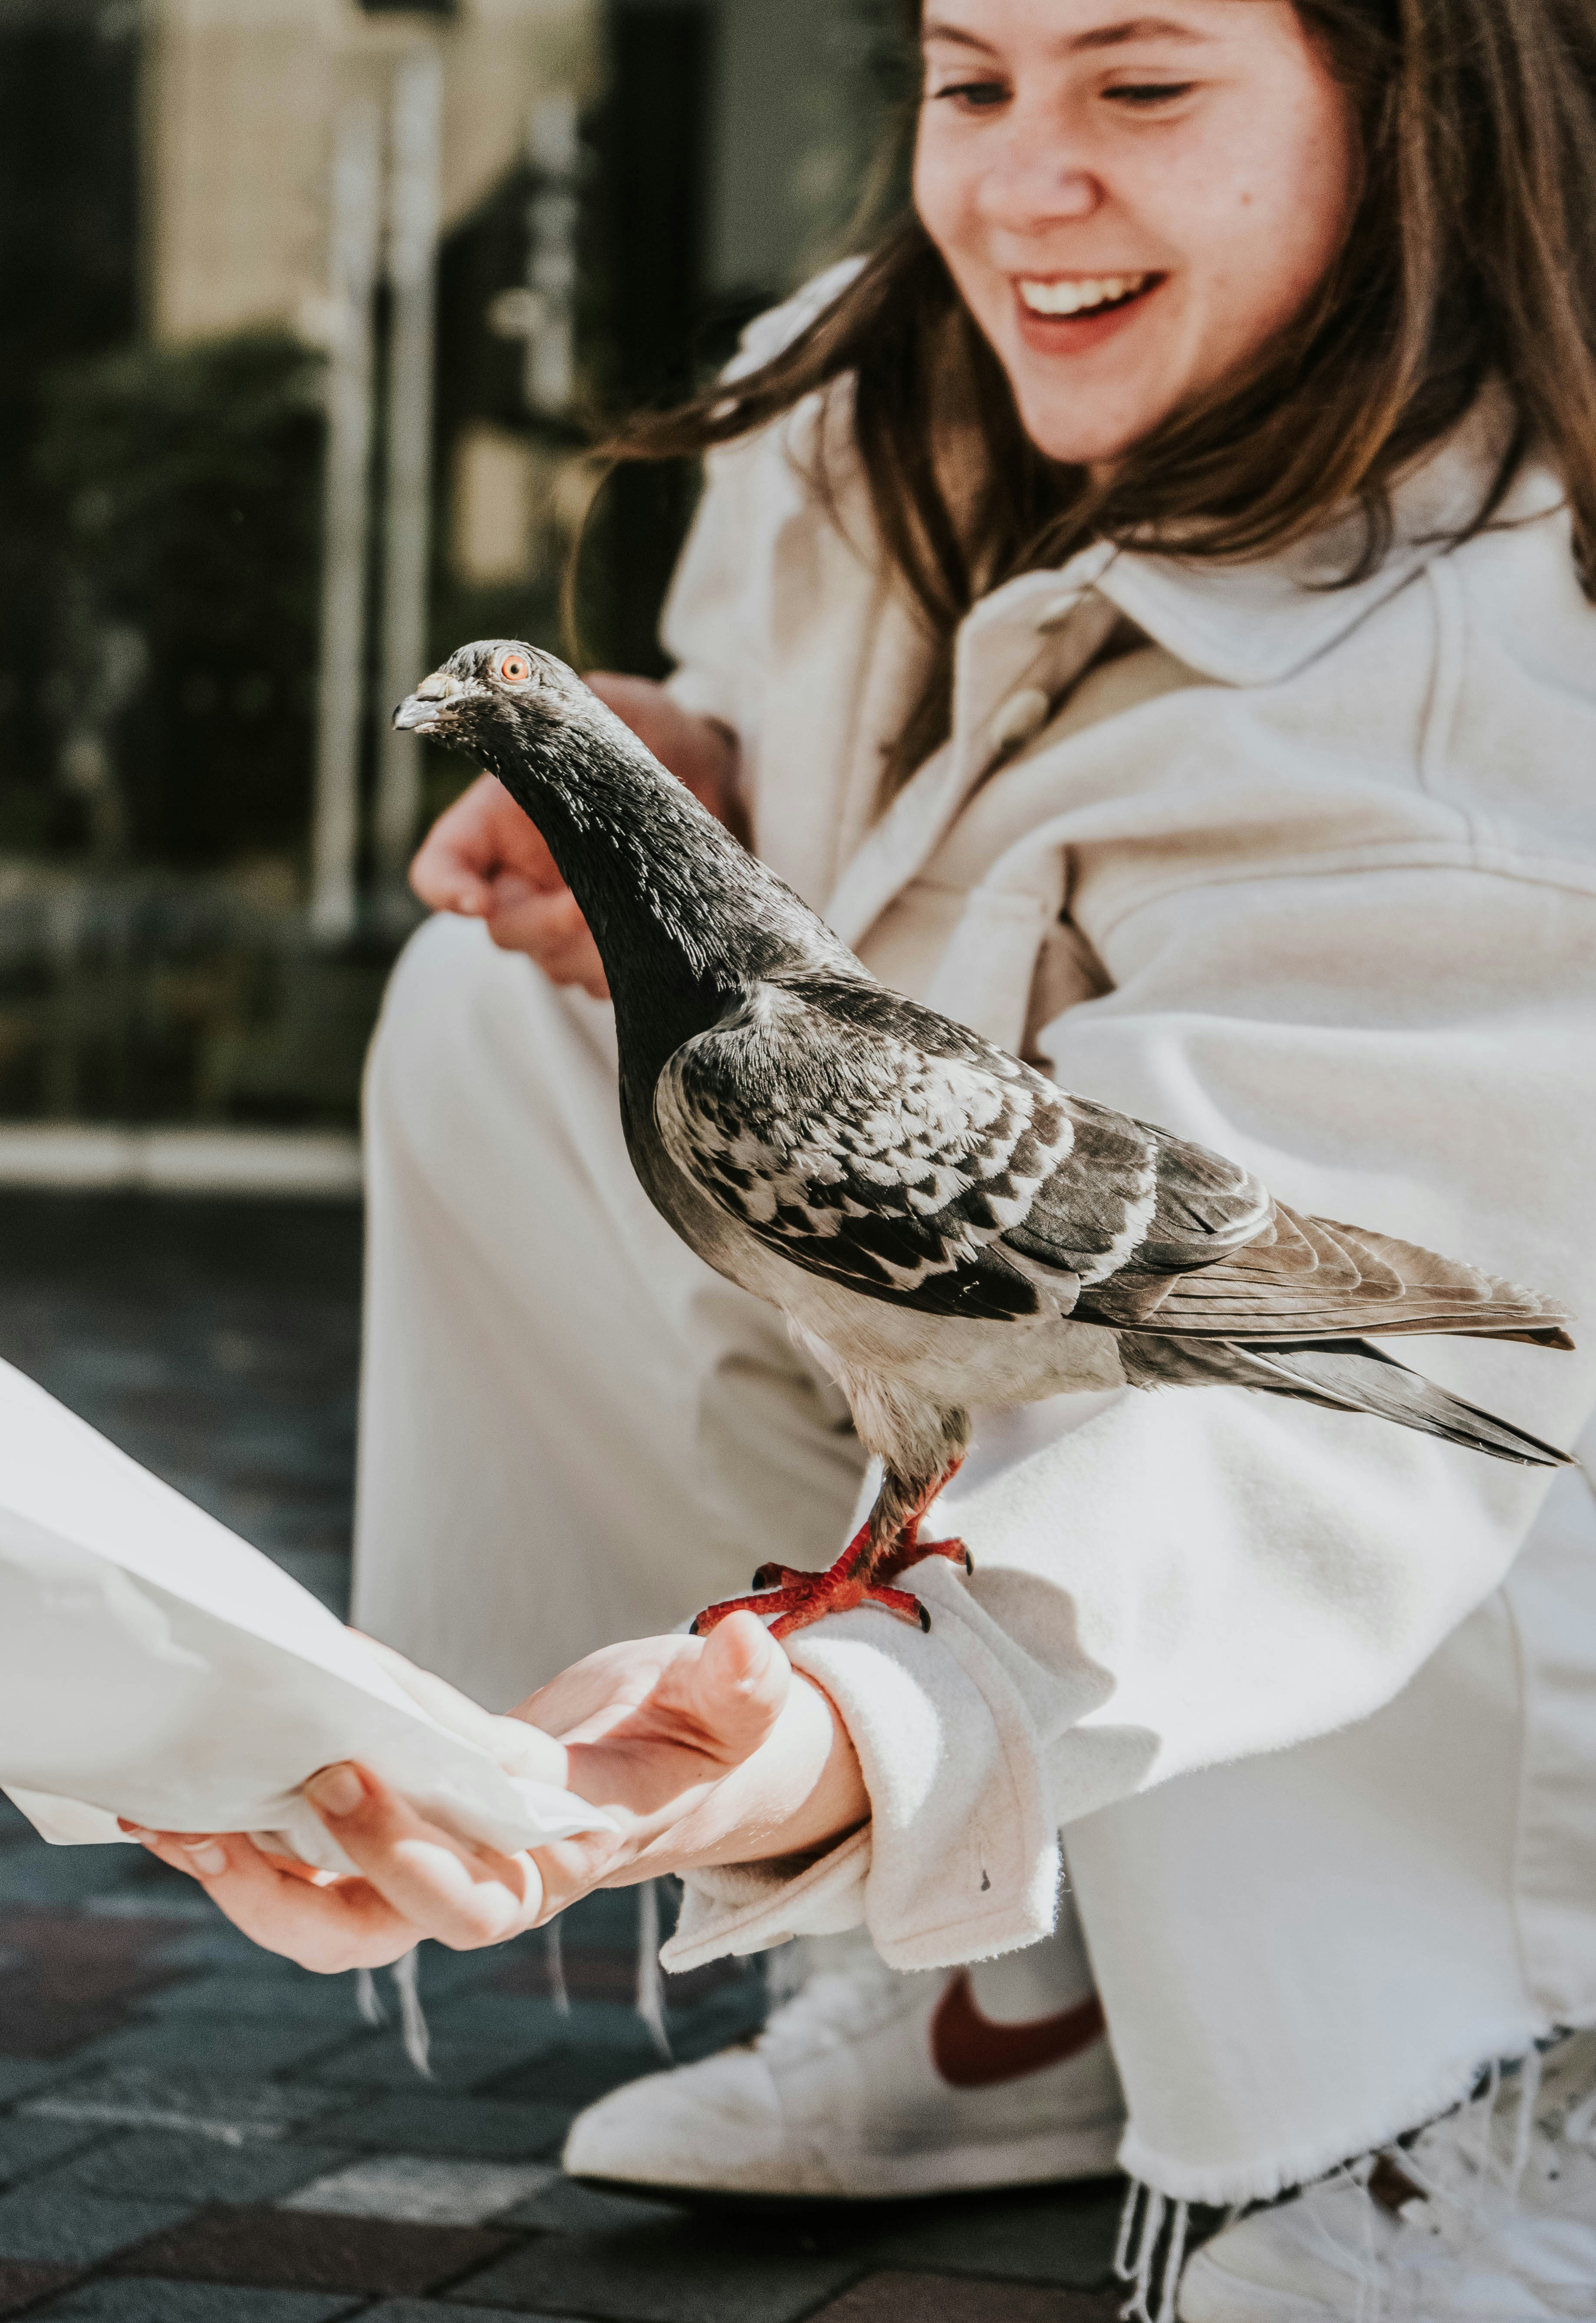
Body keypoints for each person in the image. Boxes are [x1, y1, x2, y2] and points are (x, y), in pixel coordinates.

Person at [133, 1, 1596, 2313]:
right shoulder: (866, 383)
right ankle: (1001, 1994)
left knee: (1317, 1382)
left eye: (1142, 87)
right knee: (525, 1024)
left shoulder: (1512, 647)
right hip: (971, 1322)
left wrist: (875, 1715)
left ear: (1406, 101)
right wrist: (688, 800)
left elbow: (1279, 1431)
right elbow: (882, 838)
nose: (1025, 183)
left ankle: (1467, 2103)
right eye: (969, 77)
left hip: (1401, 1501)